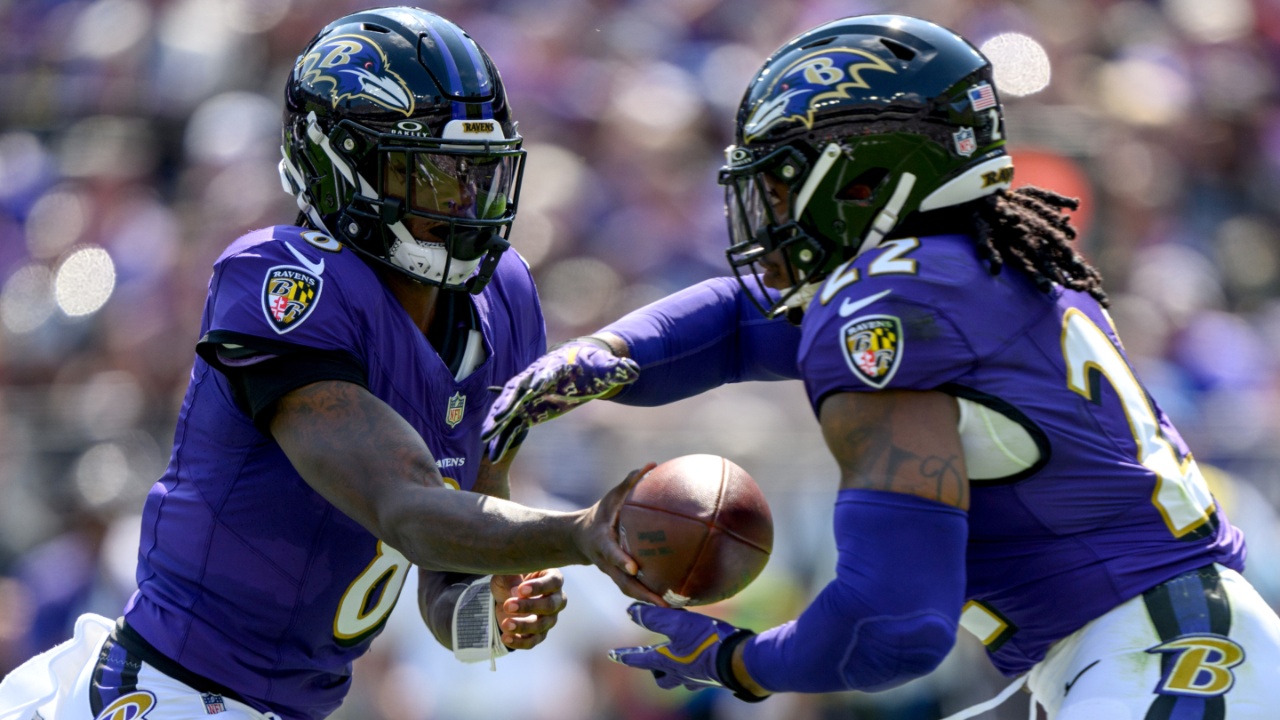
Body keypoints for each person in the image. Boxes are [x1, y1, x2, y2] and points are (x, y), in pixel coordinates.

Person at [482, 14, 1280, 719]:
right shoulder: (971, 272)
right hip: (1159, 648)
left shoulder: (888, 298)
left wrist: (737, 661)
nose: (770, 208)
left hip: (1161, 657)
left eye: (783, 178)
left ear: (864, 175)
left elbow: (895, 625)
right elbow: (737, 322)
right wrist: (602, 358)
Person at [0, 7, 663, 720]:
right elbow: (405, 506)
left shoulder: (502, 297)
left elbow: (450, 568)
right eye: (434, 174)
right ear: (340, 165)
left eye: (478, 171)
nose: (466, 200)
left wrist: (490, 611)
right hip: (172, 693)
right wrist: (575, 534)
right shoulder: (283, 280)